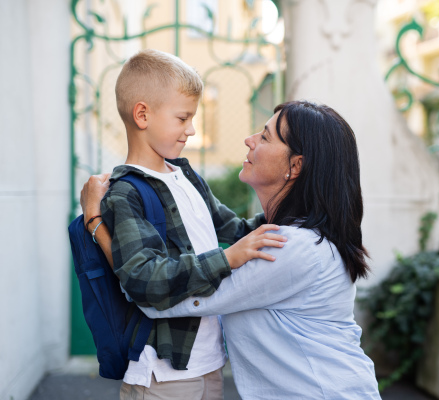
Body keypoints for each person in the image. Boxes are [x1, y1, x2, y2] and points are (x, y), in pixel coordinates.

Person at [84, 100, 382, 399]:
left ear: (296, 166)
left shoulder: (290, 248)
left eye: (265, 137)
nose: (249, 140)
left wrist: (95, 222)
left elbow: (159, 296)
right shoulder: (287, 235)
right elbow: (232, 229)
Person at [80, 48, 287, 400]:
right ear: (142, 115)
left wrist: (299, 210)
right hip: (163, 373)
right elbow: (143, 279)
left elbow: (237, 230)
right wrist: (228, 259)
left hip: (208, 362)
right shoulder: (127, 192)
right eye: (182, 118)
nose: (191, 130)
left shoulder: (187, 177)